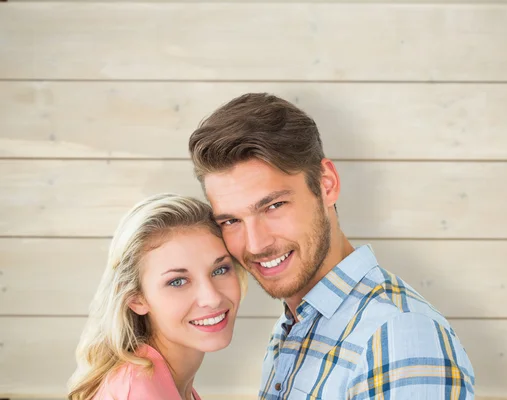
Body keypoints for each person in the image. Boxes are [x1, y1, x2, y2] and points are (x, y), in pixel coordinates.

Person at [188, 93, 475, 399]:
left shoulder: (397, 338)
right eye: (231, 221)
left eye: (273, 206)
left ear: (326, 184)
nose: (256, 244)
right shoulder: (293, 328)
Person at [67, 193, 247, 400]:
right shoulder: (137, 390)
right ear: (136, 299)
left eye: (220, 270)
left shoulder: (161, 382)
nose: (212, 298)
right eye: (177, 281)